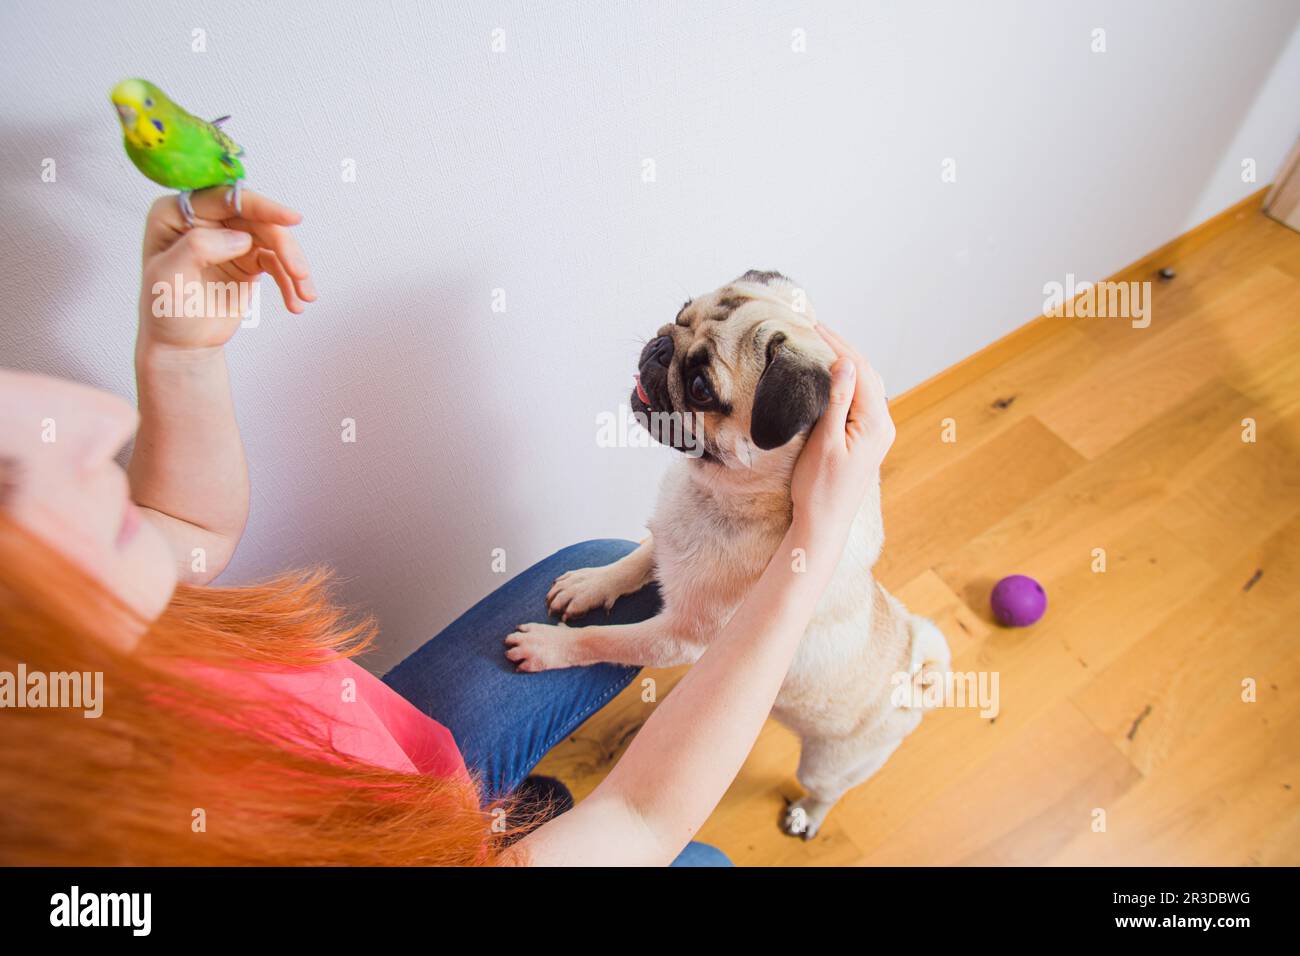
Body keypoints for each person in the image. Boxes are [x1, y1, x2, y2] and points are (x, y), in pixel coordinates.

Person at [0, 188, 895, 866]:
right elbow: (638, 818)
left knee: (595, 567)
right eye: (8, 480)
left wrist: (176, 353)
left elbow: (178, 526)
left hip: (386, 751)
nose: (89, 422)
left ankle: (508, 801)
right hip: (416, 832)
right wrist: (811, 549)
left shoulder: (56, 637)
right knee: (700, 857)